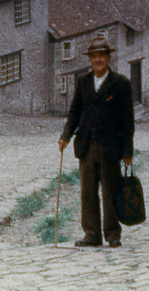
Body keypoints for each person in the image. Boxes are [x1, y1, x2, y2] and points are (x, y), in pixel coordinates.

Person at [58, 35, 135, 248]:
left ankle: (112, 234)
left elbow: (128, 120)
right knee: (88, 192)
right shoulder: (83, 81)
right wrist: (65, 136)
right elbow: (74, 112)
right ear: (90, 60)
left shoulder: (121, 83)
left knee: (111, 190)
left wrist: (127, 152)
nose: (97, 60)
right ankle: (91, 234)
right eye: (93, 56)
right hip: (86, 146)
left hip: (111, 147)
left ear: (108, 57)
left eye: (101, 55)